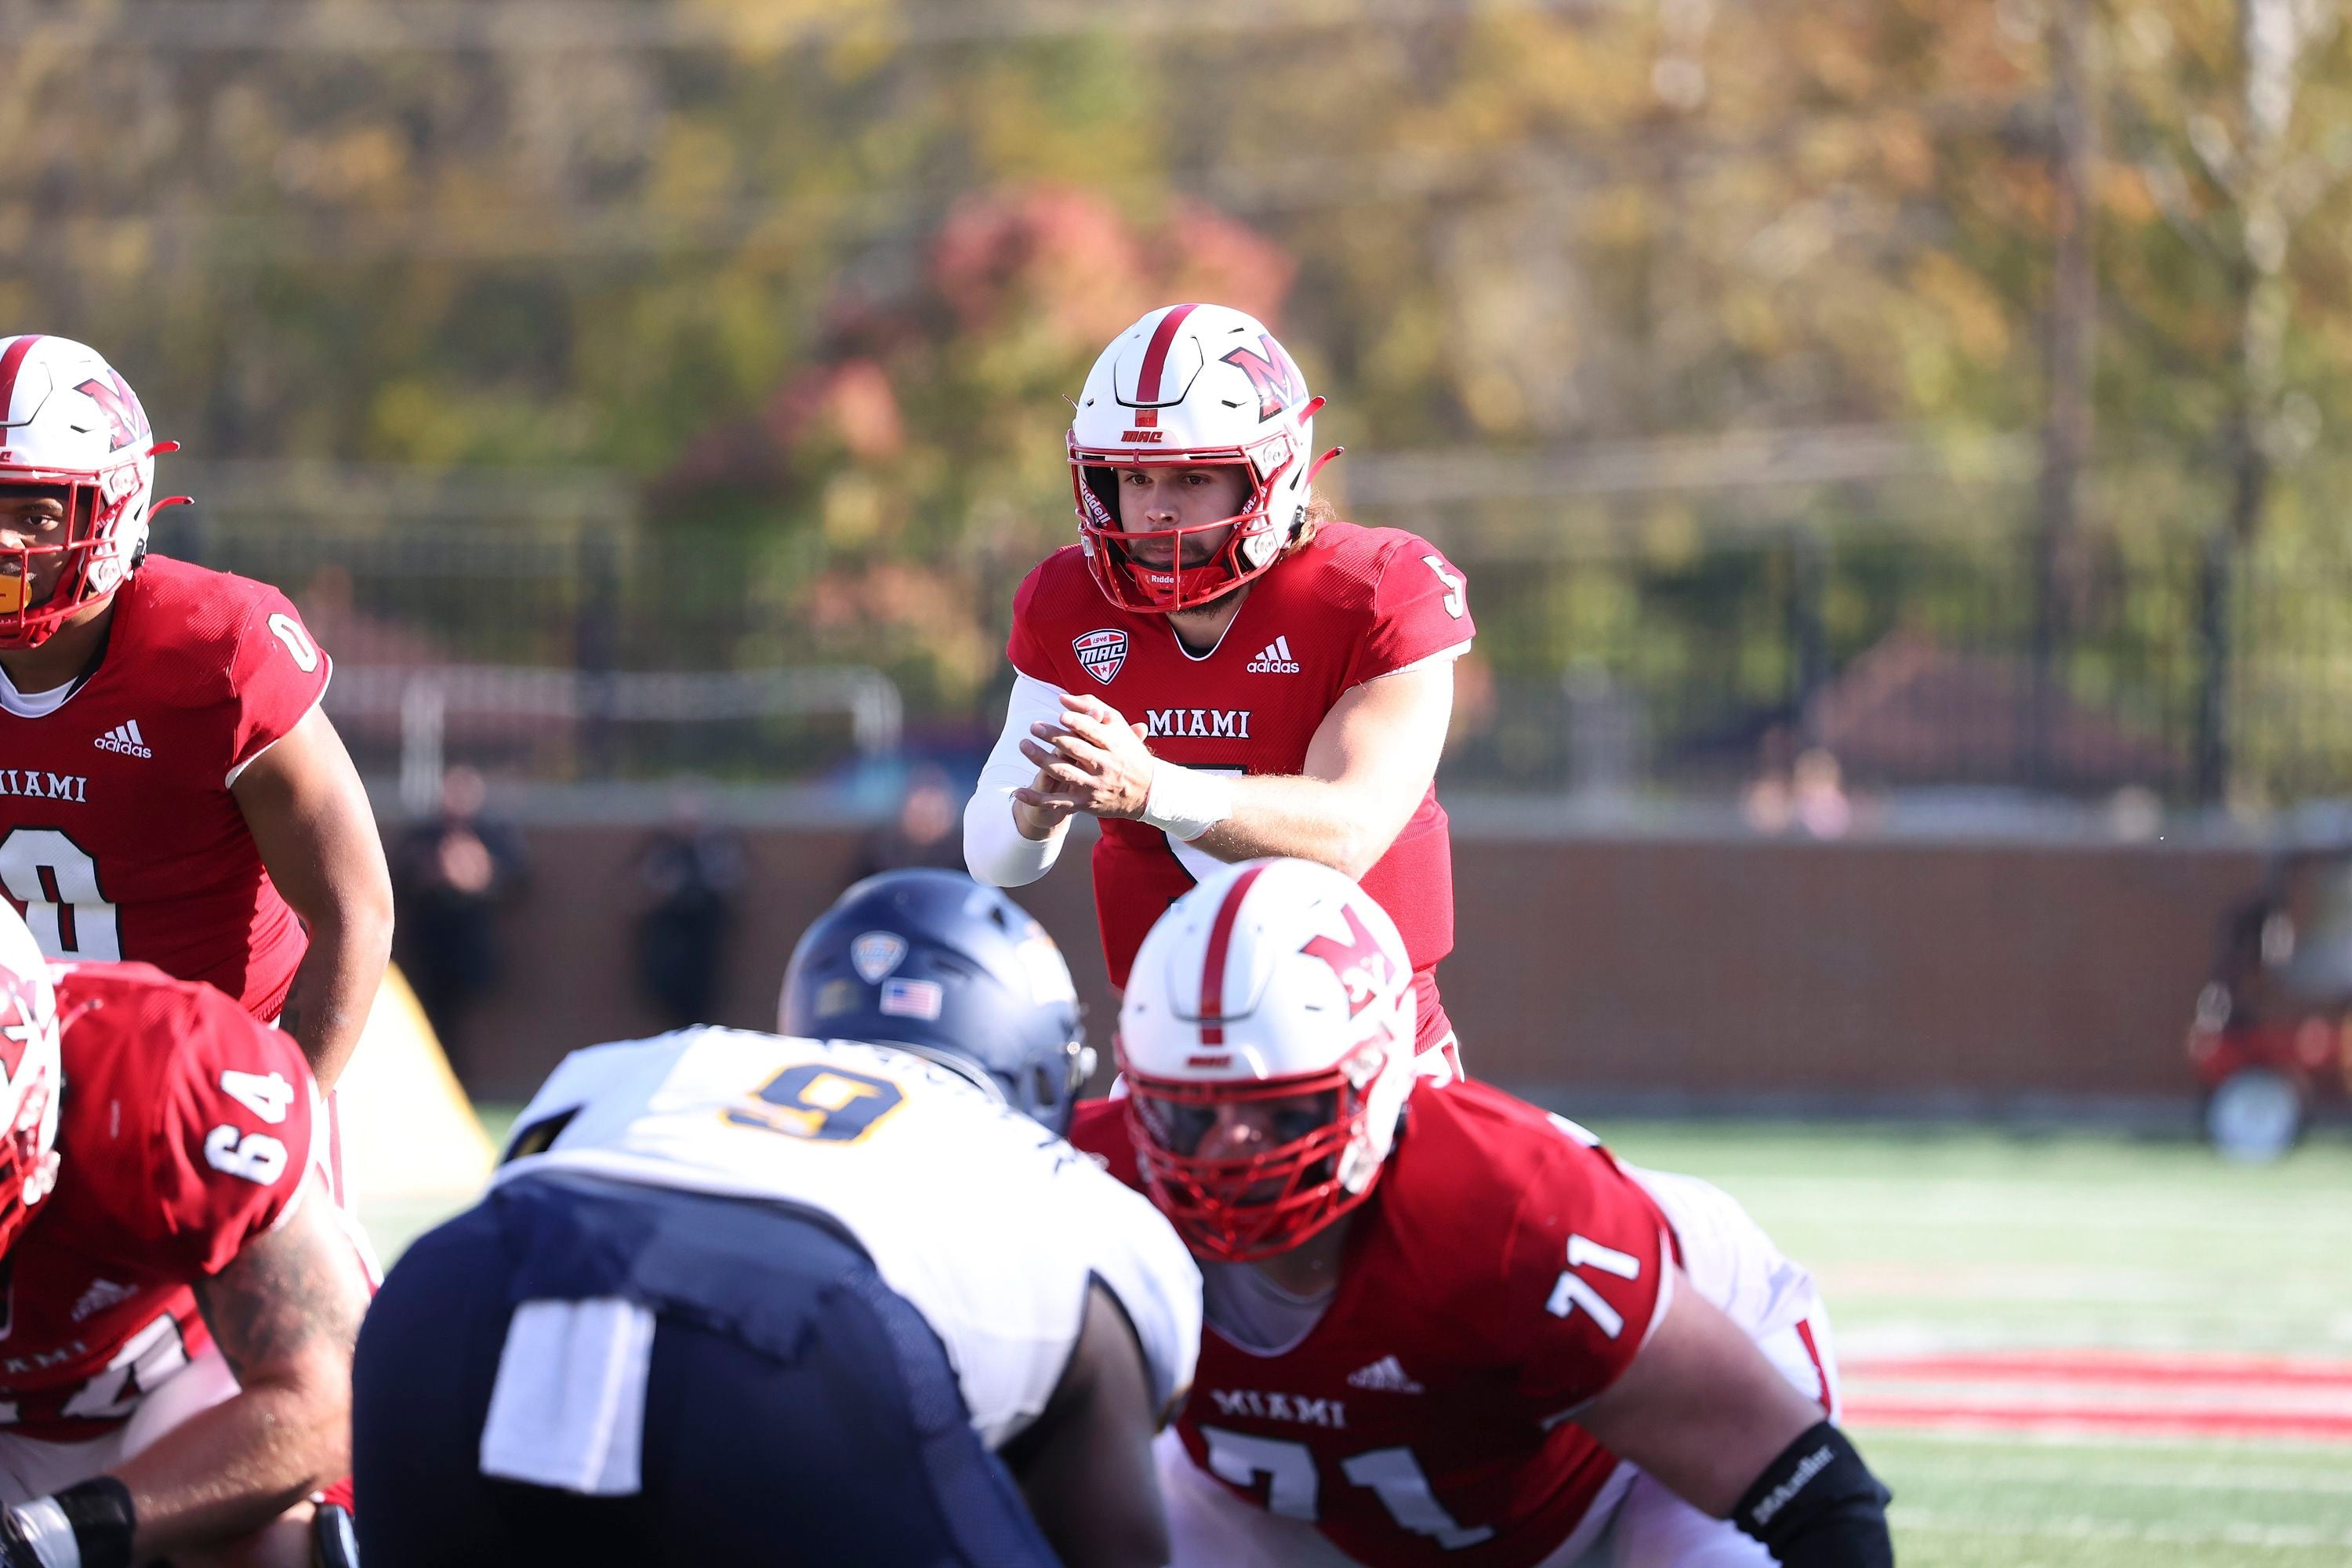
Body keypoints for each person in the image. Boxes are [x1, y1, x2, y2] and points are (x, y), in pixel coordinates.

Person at [352, 869, 1202, 1567]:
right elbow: (1114, 1542)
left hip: (456, 1292)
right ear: (1044, 1060)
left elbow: (535, 1207)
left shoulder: (650, 1063)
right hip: (796, 1334)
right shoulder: (1067, 1190)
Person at [1071, 858, 1895, 1568]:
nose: (1228, 1152)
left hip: (1615, 1472)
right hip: (1319, 1501)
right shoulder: (1086, 1183)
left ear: (1383, 1079)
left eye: (1282, 1112)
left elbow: (1819, 1495)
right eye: (1189, 1110)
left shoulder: (1511, 1216)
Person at [964, 303, 1475, 1074]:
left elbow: (1345, 831)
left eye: (1194, 476)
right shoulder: (1069, 605)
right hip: (1171, 1070)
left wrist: (1151, 787)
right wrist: (1034, 810)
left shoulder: (1373, 593)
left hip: (1376, 1063)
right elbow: (996, 857)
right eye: (1134, 475)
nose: (1157, 506)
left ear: (1273, 472)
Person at [0, 335, 392, 1088]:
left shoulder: (217, 652)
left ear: (114, 509)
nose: (3, 541)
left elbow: (356, 910)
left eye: (38, 513)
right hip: (22, 1082)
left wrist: (286, 1117)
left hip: (215, 1086)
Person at [0, 905, 372, 1568]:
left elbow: (327, 1399)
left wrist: (54, 1537)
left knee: (278, 1547)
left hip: (170, 1396)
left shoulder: (168, 1084)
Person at [390, 764, 526, 1058]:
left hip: (472, 942)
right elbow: (397, 878)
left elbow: (518, 881)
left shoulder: (493, 835)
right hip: (430, 943)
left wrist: (480, 873)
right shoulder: (423, 835)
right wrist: (433, 872)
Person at [630, 782, 747, 1026]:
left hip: (703, 946)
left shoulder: (713, 848)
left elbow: (735, 884)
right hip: (669, 945)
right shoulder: (661, 848)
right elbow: (635, 890)